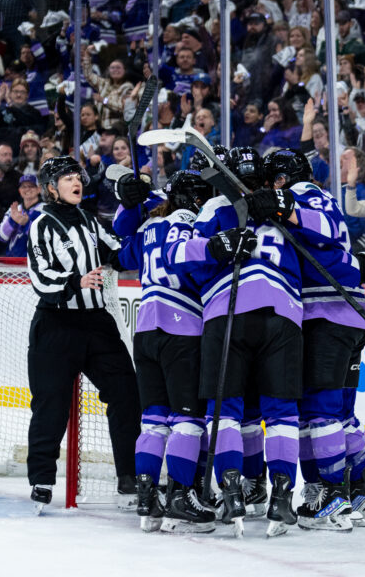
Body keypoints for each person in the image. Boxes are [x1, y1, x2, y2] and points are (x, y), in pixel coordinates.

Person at [251, 148, 365, 531]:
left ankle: (329, 494)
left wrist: (288, 208)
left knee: (319, 411)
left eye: (272, 183)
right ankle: (357, 489)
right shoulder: (313, 195)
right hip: (349, 315)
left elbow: (325, 228)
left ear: (280, 180)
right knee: (343, 412)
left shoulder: (305, 195)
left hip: (326, 316)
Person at [189, 146, 303, 535]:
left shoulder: (216, 208)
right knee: (283, 414)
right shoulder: (286, 207)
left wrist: (211, 247)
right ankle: (282, 497)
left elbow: (184, 259)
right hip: (283, 314)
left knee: (225, 413)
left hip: (227, 313)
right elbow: (326, 249)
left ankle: (233, 492)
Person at [22, 156, 140, 513]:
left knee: (127, 394)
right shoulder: (42, 224)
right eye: (67, 177)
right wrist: (75, 282)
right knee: (50, 404)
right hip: (56, 325)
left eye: (78, 176)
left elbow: (121, 254)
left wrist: (134, 208)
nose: (76, 182)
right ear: (51, 188)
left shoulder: (91, 222)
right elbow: (40, 279)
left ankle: (129, 475)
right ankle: (42, 479)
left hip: (96, 324)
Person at [110, 170, 219, 533]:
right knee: (188, 419)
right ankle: (179, 497)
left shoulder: (148, 227)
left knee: (154, 420)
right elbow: (205, 268)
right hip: (183, 327)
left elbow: (121, 254)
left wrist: (132, 205)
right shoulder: (195, 226)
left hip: (145, 328)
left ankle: (147, 498)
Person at [0, 173, 43, 257]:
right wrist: (12, 221)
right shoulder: (14, 210)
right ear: (19, 190)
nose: (27, 189)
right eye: (24, 187)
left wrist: (27, 224)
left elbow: (43, 239)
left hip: (36, 262)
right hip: (12, 262)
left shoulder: (45, 210)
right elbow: (2, 237)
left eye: (31, 186)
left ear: (39, 189)